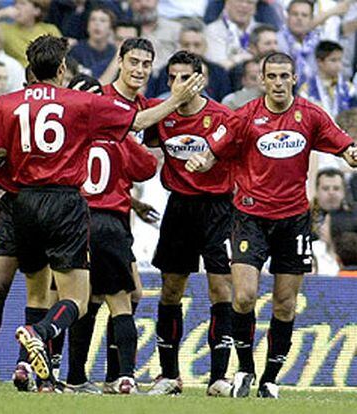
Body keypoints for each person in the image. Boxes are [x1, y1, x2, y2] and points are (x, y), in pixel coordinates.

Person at [0, 34, 204, 388]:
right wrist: (176, 99)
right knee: (78, 299)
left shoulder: (8, 103)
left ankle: (25, 371)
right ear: (61, 69)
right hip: (65, 204)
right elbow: (136, 123)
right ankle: (39, 332)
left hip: (22, 202)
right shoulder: (81, 103)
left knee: (35, 291)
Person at [186, 52, 357, 398]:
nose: (278, 83)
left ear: (294, 79)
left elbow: (343, 144)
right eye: (272, 76)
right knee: (245, 296)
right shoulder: (245, 116)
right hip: (249, 217)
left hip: (293, 221)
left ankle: (270, 379)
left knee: (285, 304)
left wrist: (352, 153)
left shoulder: (309, 115)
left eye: (284, 76)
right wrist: (201, 160)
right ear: (262, 81)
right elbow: (212, 149)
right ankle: (245, 369)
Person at [143, 51, 236, 397]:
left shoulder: (223, 116)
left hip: (218, 209)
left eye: (185, 77)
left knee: (220, 289)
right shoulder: (161, 115)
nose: (177, 84)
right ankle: (169, 376)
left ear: (201, 79)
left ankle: (218, 378)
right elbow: (144, 134)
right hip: (179, 207)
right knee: (171, 289)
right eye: (172, 77)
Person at [62, 73, 158, 394]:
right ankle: (123, 376)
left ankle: (73, 376)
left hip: (73, 222)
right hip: (110, 223)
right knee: (122, 300)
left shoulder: (66, 135)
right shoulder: (115, 135)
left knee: (81, 299)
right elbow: (146, 167)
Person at [69, 5, 117, 78]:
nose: (97, 24)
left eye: (103, 20)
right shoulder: (76, 50)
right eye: (93, 19)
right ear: (87, 27)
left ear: (111, 29)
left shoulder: (114, 52)